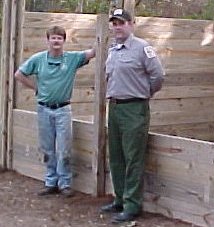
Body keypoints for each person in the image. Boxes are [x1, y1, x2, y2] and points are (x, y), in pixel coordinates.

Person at [100, 9, 165, 224]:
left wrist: (145, 94)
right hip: (115, 107)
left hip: (134, 109)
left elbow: (158, 75)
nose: (117, 27)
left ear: (131, 24)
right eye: (114, 23)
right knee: (116, 156)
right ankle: (119, 199)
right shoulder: (114, 49)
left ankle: (132, 205)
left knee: (133, 158)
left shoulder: (142, 48)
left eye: (122, 23)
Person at [15, 26, 95, 197]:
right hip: (44, 109)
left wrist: (105, 35)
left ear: (64, 41)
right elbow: (19, 74)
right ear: (48, 40)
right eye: (53, 38)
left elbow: (92, 52)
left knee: (64, 148)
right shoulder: (38, 59)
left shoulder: (72, 59)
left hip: (63, 110)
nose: (56, 41)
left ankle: (65, 183)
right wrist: (36, 88)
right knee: (47, 148)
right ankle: (50, 182)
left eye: (59, 38)